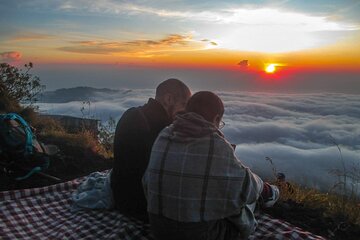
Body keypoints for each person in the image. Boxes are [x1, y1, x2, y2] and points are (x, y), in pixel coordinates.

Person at [143, 91, 279, 240]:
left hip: (159, 230)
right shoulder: (215, 144)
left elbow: (146, 182)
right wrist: (261, 186)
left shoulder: (164, 135)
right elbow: (248, 190)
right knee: (241, 204)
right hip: (199, 235)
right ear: (216, 118)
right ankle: (269, 194)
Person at [111, 78, 191, 222]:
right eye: (184, 104)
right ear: (168, 99)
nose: (185, 111)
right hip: (142, 207)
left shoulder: (132, 113)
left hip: (120, 197)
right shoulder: (163, 131)